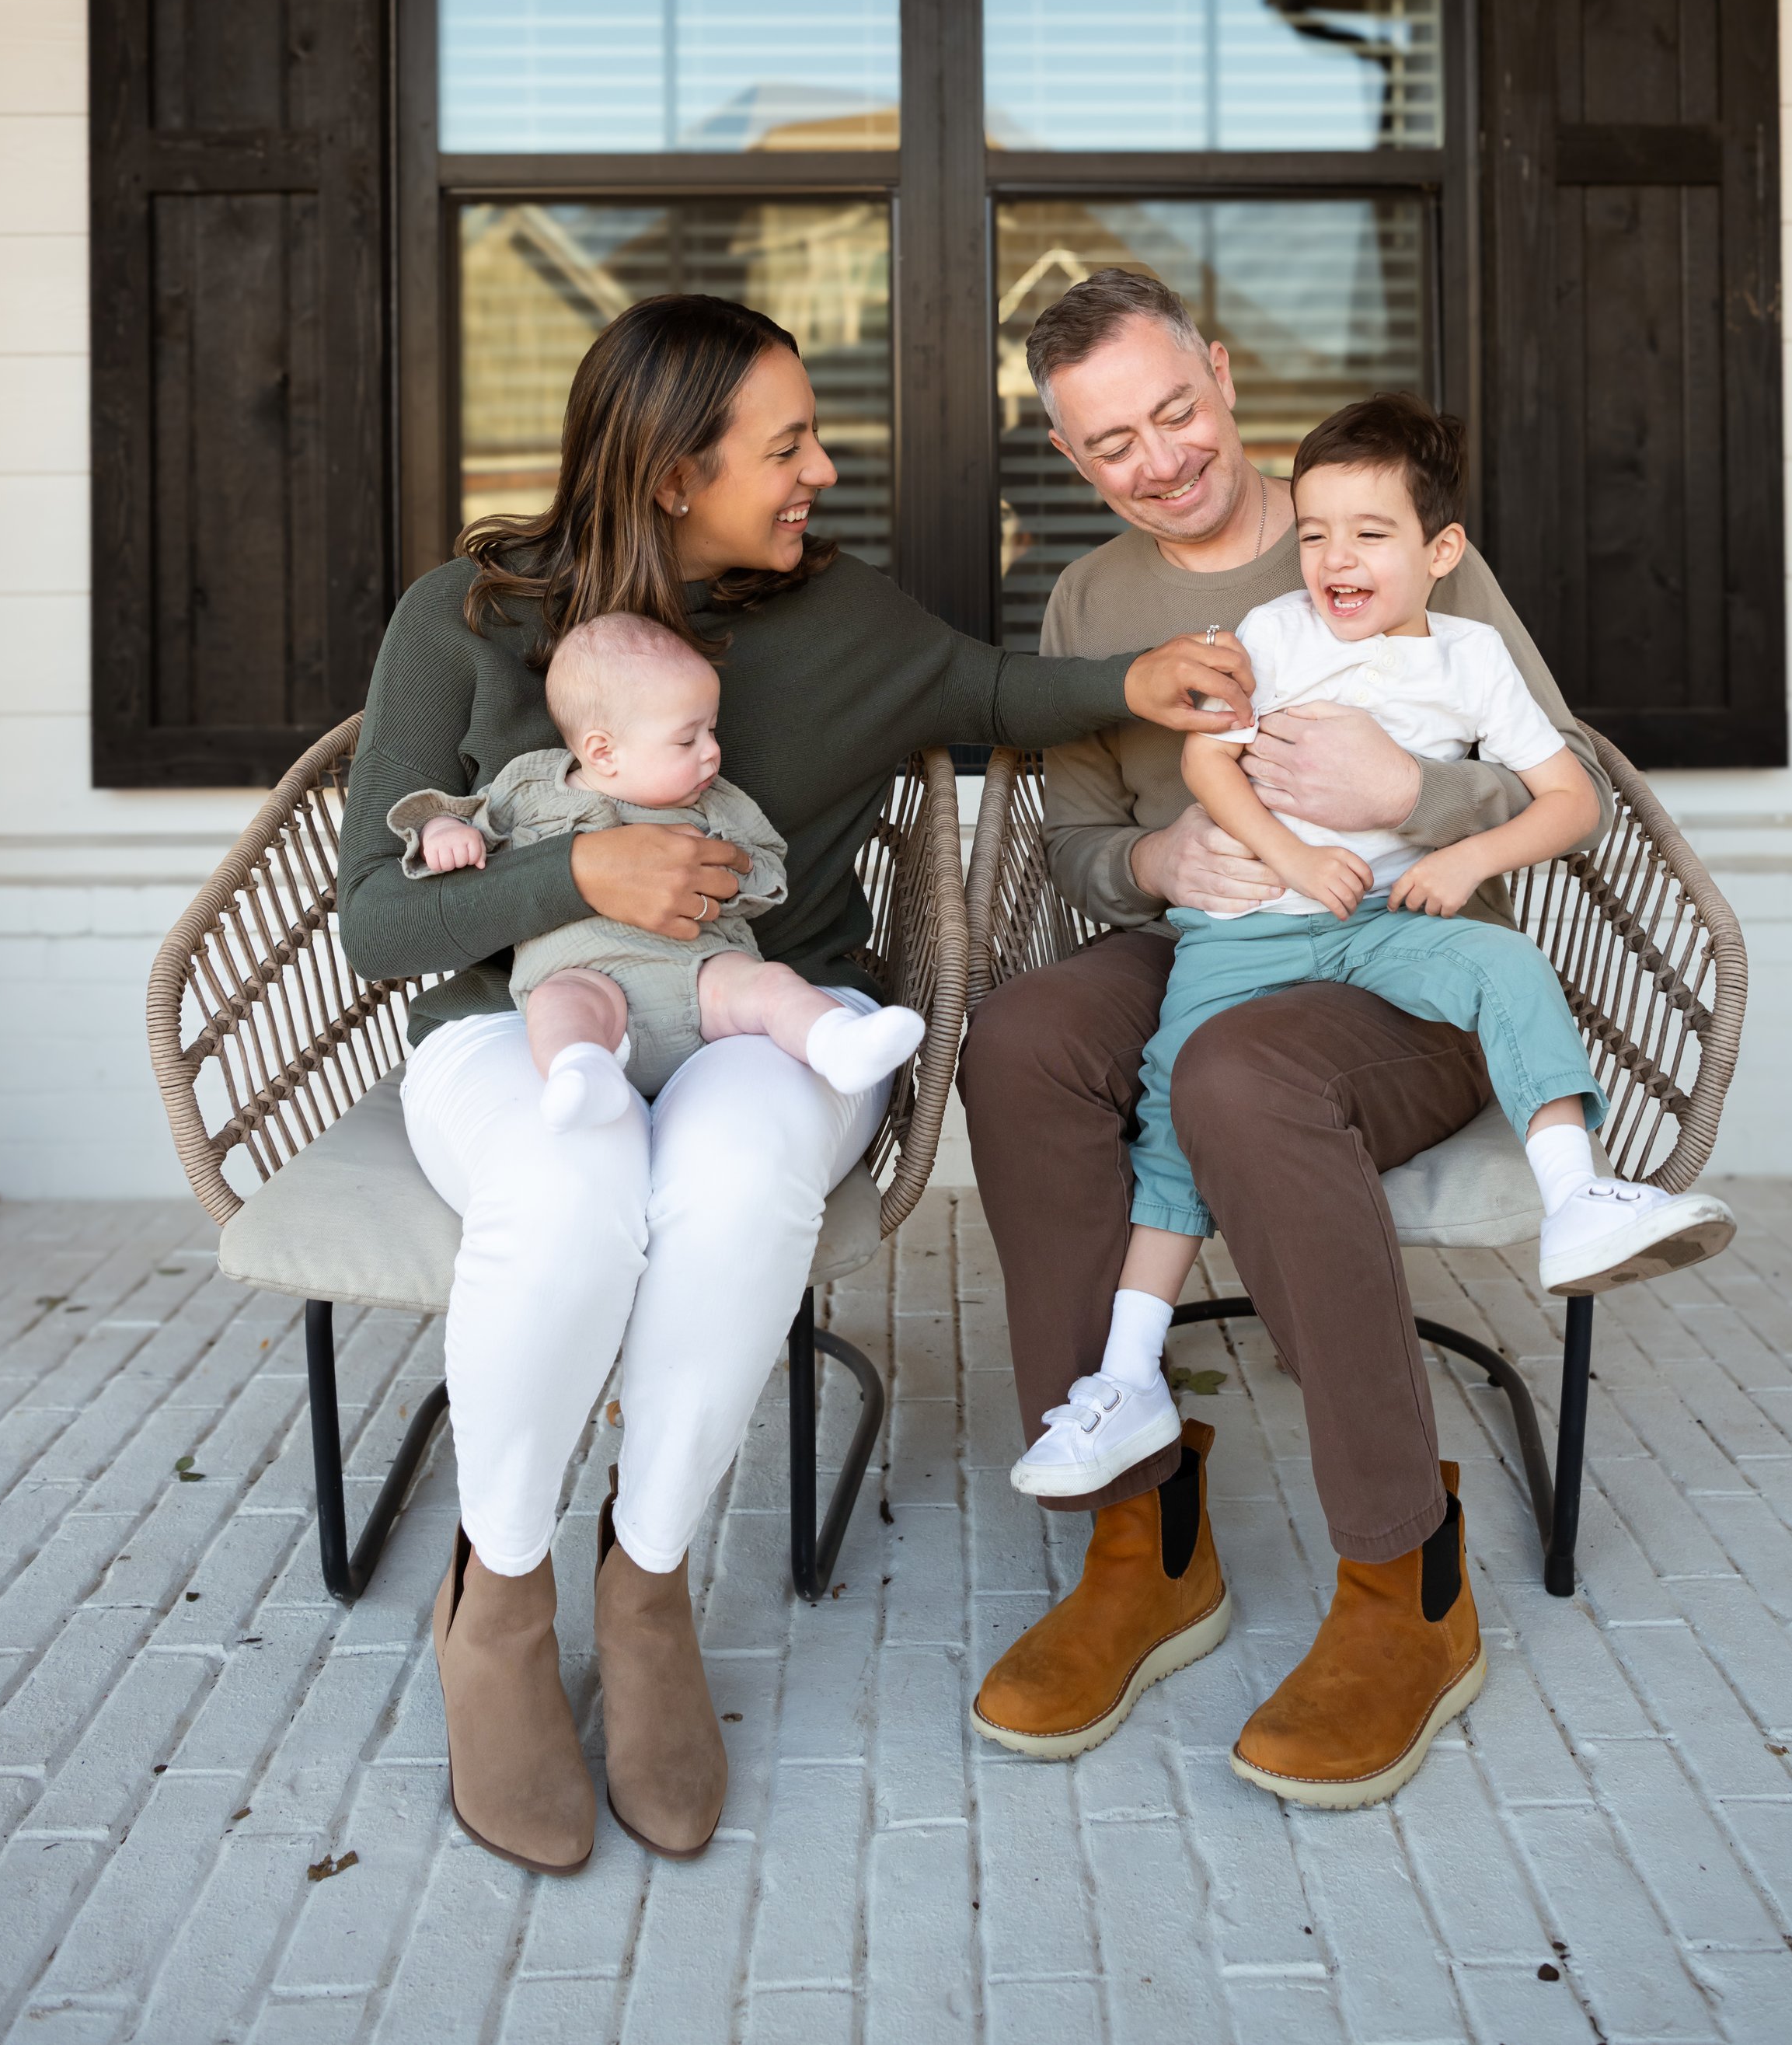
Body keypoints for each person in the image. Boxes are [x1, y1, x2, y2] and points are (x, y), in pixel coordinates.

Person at [337, 291, 1250, 1876]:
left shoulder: (842, 620)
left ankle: (648, 1579)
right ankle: (498, 1595)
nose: (821, 468)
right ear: (678, 470)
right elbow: (374, 920)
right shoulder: (465, 615)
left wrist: (1144, 677)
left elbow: (991, 693)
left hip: (770, 1015)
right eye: (786, 445)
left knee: (735, 1176)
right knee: (572, 1184)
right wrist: (582, 867)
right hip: (517, 1025)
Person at [961, 266, 1685, 1810]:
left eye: (1172, 409)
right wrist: (1158, 863)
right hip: (1212, 934)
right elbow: (1081, 840)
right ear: (1068, 458)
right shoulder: (1088, 596)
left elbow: (1561, 793)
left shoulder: (1367, 525)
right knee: (1021, 1036)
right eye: (1107, 445)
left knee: (1241, 1073)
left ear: (1220, 373)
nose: (1156, 458)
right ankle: (1140, 1537)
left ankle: (1399, 1578)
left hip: (1395, 961)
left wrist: (1397, 796)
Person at [1009, 389, 1733, 1507]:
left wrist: (1448, 832)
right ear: (1071, 455)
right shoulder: (1265, 633)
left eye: (1369, 534)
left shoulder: (1469, 652)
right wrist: (1274, 859)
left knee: (1503, 970)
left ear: (1441, 549)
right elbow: (1205, 767)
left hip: (1392, 926)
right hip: (1248, 932)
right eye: (1315, 533)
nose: (1336, 557)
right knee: (1167, 1122)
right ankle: (1122, 1381)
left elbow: (1570, 794)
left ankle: (1578, 1193)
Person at [389, 611, 926, 1124]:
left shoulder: (715, 805)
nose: (712, 753)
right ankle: (581, 1073)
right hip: (585, 976)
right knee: (558, 1005)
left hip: (701, 975)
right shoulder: (529, 788)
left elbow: (767, 863)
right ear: (603, 752)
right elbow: (467, 821)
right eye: (688, 738)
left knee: (767, 984)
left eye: (712, 730)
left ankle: (834, 1040)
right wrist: (443, 832)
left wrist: (728, 876)